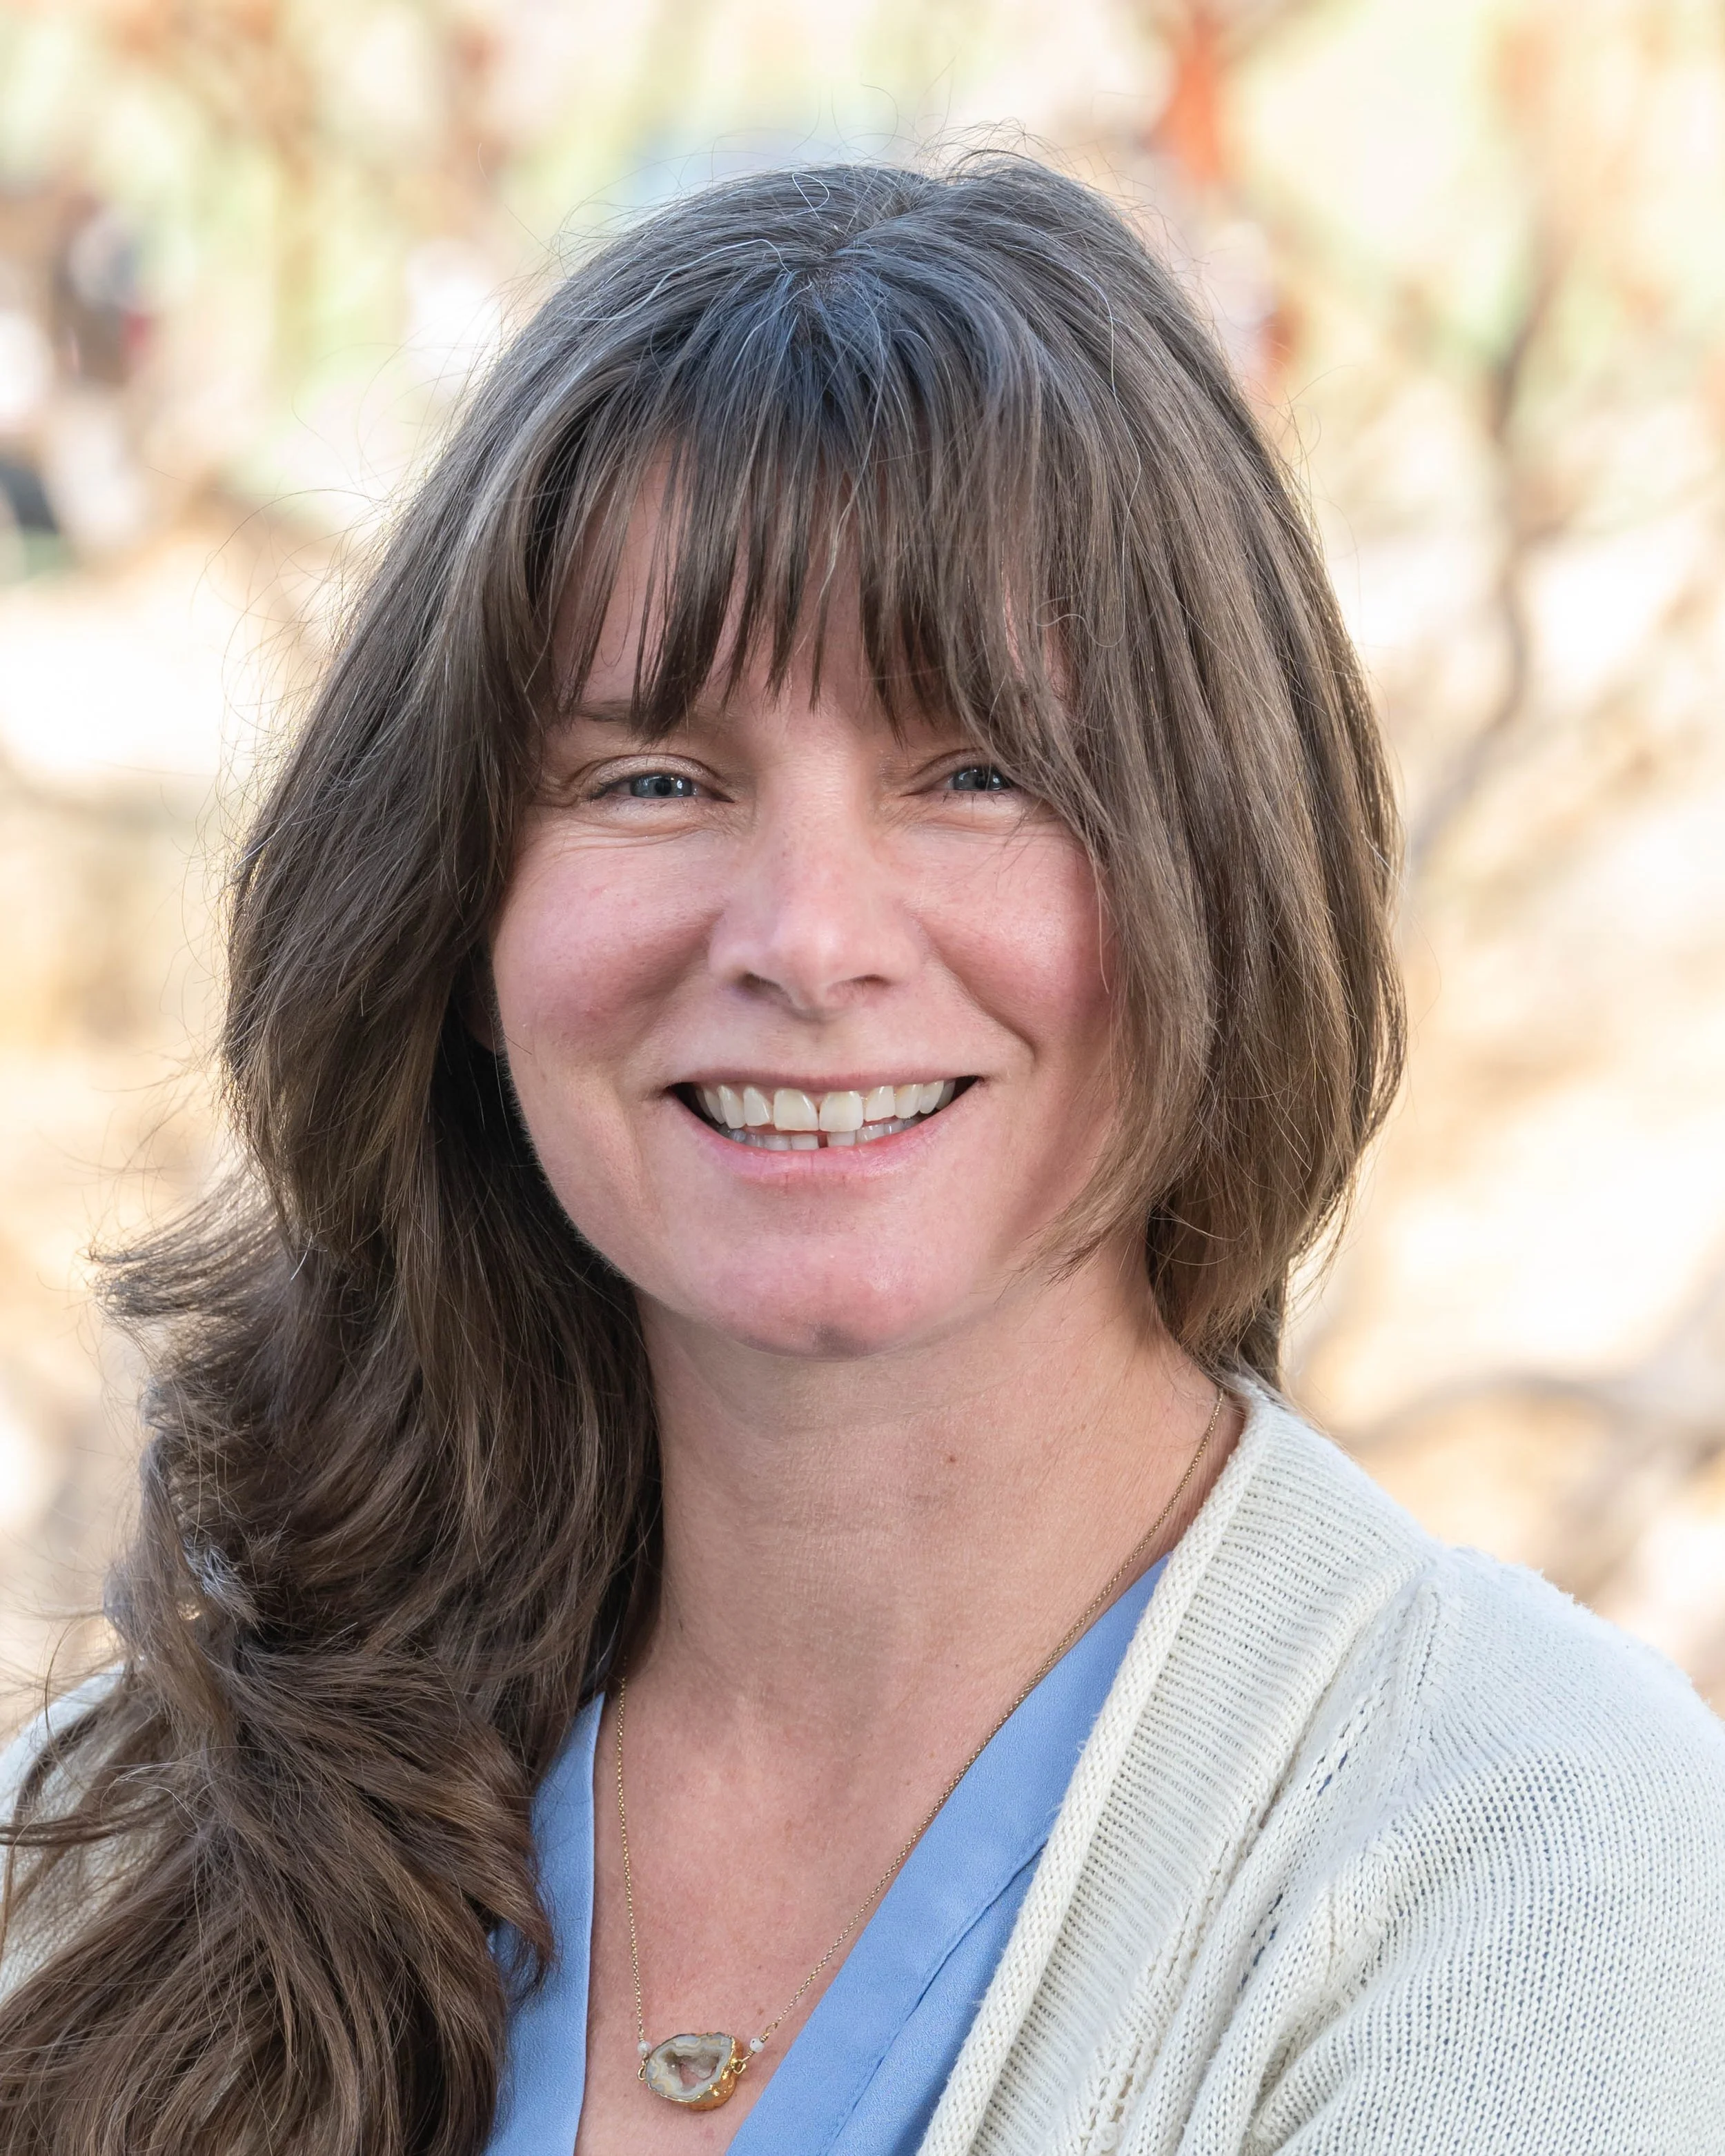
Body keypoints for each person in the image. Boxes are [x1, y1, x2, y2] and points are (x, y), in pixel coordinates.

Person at [3, 155, 1722, 2156]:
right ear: (460, 920)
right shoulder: (138, 1832)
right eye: (654, 779)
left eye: (978, 773)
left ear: (1224, 878)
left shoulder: (1530, 1864)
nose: (808, 940)